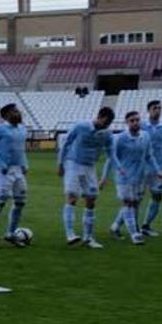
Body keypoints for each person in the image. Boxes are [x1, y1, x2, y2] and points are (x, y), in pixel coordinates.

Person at [57, 107, 115, 249]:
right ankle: (70, 234)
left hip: (90, 166)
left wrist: (112, 171)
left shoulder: (106, 133)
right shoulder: (81, 126)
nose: (107, 126)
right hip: (73, 163)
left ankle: (88, 238)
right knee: (72, 196)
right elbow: (66, 143)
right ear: (100, 116)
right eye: (106, 122)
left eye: (109, 124)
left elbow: (111, 153)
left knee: (91, 200)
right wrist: (60, 163)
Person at [103, 111, 161, 245]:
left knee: (135, 204)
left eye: (137, 120)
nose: (135, 122)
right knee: (128, 203)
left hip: (139, 176)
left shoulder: (145, 136)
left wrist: (158, 171)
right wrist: (104, 178)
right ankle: (135, 234)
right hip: (123, 177)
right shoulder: (119, 138)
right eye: (132, 120)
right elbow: (111, 158)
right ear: (127, 122)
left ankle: (115, 227)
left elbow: (149, 155)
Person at [0, 103, 29, 248]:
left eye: (18, 111)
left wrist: (24, 164)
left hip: (18, 171)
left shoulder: (22, 129)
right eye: (14, 112)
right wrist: (0, 161)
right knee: (0, 202)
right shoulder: (0, 129)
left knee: (20, 202)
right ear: (6, 115)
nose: (18, 113)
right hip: (4, 171)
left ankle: (10, 234)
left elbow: (21, 150)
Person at [140, 100, 162, 235]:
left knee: (157, 197)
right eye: (155, 108)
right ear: (148, 110)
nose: (158, 111)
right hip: (142, 168)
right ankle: (118, 226)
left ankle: (146, 226)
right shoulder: (141, 126)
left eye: (160, 108)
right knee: (134, 198)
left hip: (159, 169)